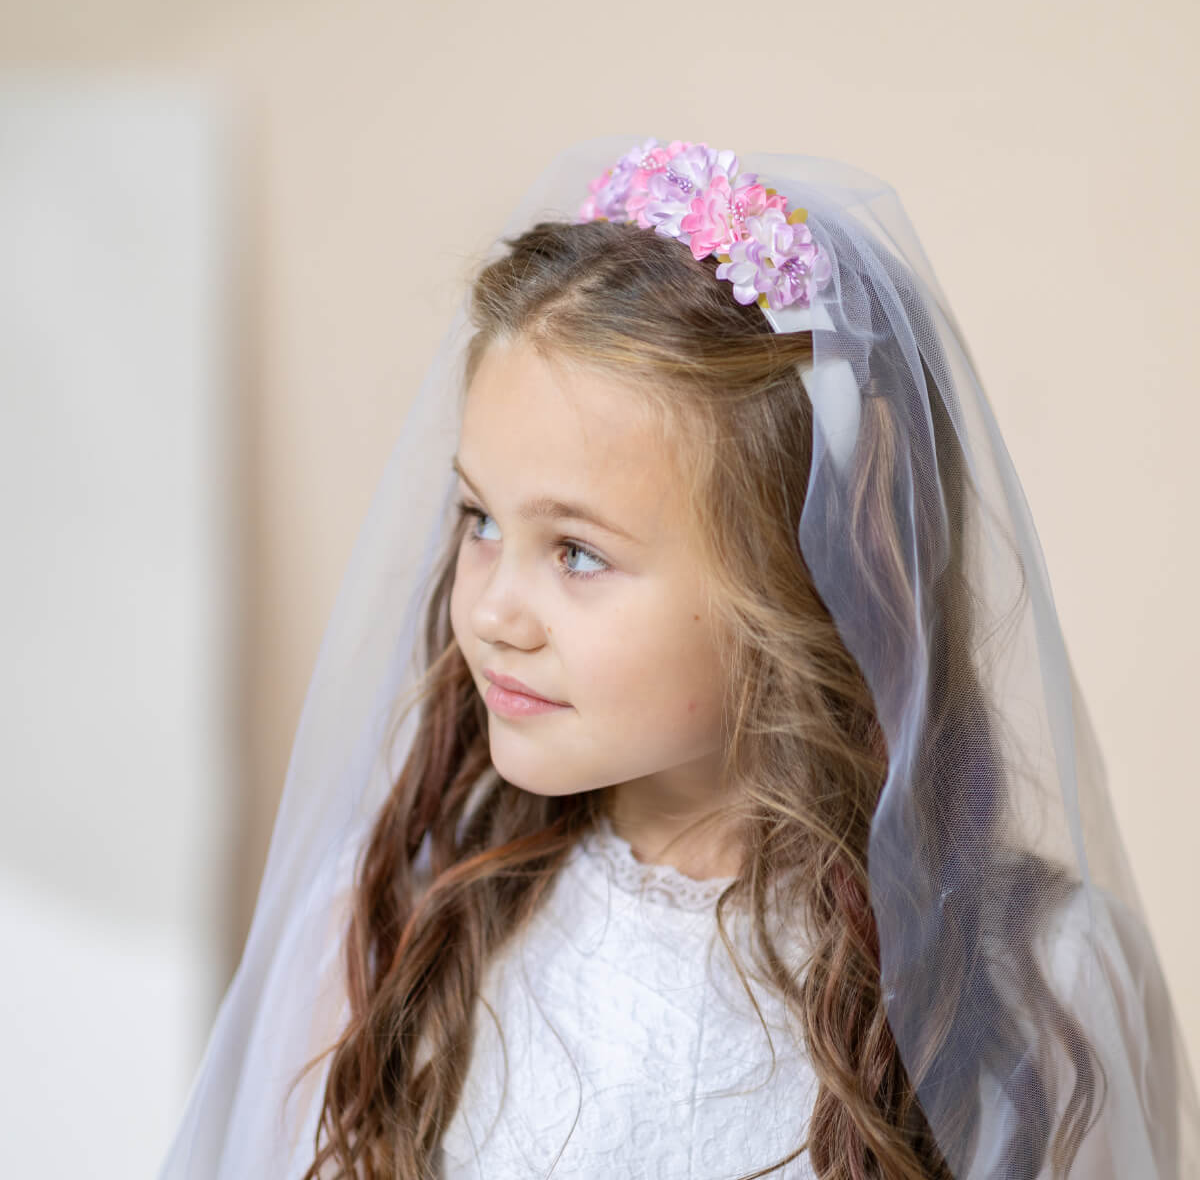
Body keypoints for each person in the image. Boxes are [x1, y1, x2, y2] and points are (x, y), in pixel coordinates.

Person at [157, 136, 1200, 1179]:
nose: (492, 613)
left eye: (575, 551)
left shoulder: (1036, 983)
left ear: (803, 573)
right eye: (479, 519)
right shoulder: (396, 933)